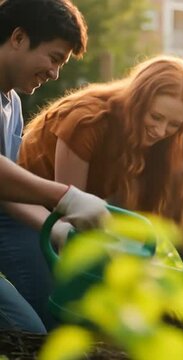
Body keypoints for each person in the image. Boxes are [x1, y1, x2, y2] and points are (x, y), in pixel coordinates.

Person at [10, 55, 183, 328]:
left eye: (174, 125)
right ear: (138, 103)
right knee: (58, 320)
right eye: (156, 116)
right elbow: (71, 218)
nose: (161, 130)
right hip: (23, 215)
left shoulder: (155, 140)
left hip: (62, 222)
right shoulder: (88, 121)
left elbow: (142, 219)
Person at [0, 0, 108, 333]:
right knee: (27, 332)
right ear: (18, 37)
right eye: (54, 58)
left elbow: (7, 190)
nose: (54, 73)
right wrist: (67, 197)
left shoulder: (12, 103)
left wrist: (57, 227)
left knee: (58, 315)